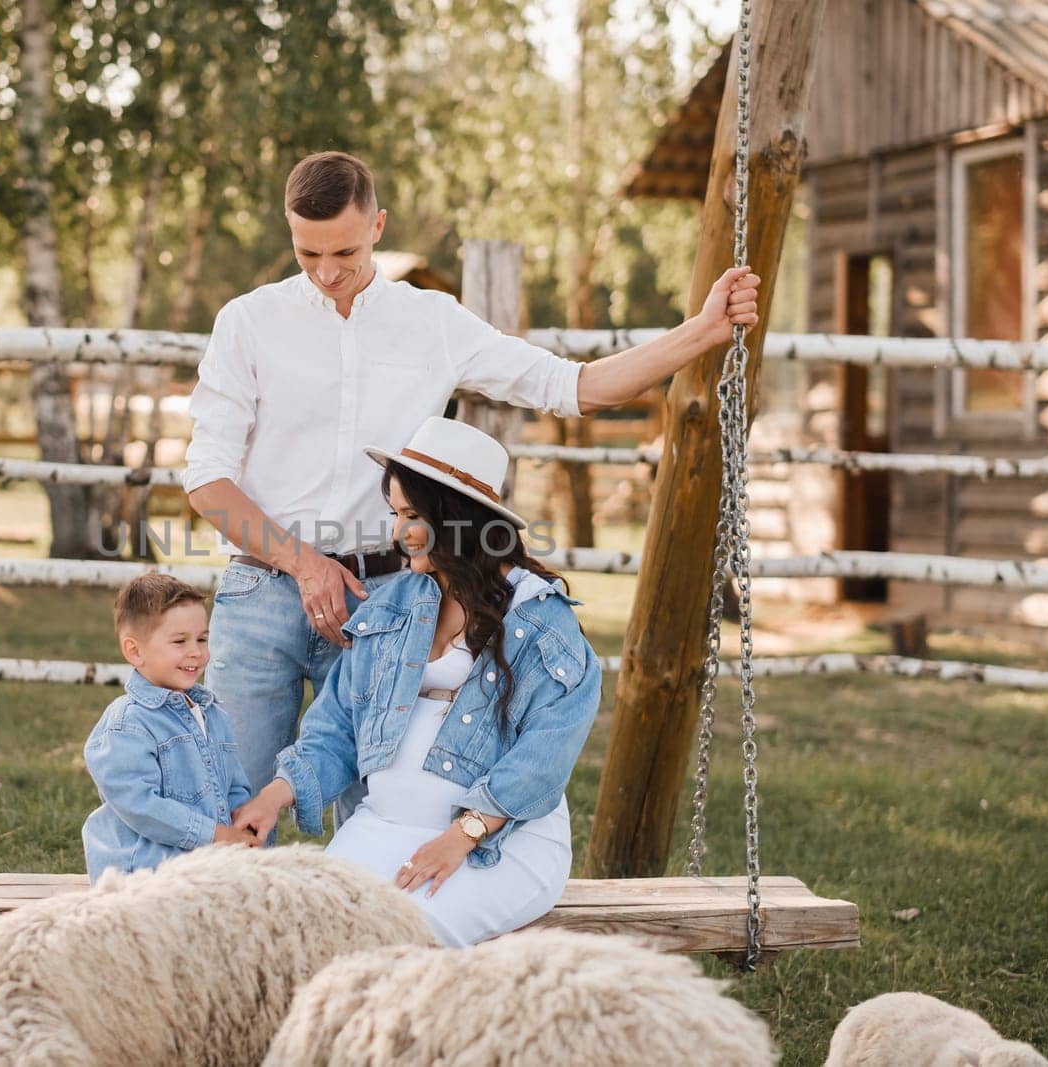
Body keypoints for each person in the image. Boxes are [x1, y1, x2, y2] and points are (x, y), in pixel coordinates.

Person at [183, 150, 760, 793]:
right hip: (262, 596)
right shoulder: (247, 322)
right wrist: (306, 564)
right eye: (307, 254)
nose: (326, 273)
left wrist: (703, 331)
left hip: (388, 600)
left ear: (378, 225)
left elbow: (575, 386)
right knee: (231, 802)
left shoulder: (433, 322)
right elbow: (208, 477)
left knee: (378, 811)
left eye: (343, 253)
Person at [233, 417, 599, 946]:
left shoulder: (542, 622)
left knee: (400, 940)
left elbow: (543, 758)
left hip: (497, 845)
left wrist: (460, 837)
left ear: (458, 521)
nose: (397, 531)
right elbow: (336, 729)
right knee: (301, 936)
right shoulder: (390, 607)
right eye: (394, 513)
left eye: (411, 515)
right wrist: (274, 796)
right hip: (382, 827)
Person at [81, 574, 258, 882]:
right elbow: (140, 805)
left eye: (202, 639)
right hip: (142, 873)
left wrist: (244, 826)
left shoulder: (214, 715)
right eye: (180, 641)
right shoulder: (128, 723)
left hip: (205, 865)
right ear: (135, 651)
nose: (196, 652)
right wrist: (215, 835)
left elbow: (234, 787)